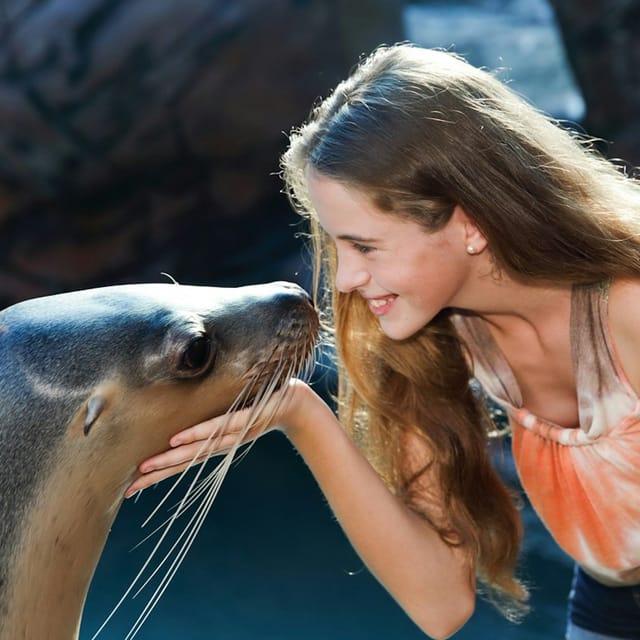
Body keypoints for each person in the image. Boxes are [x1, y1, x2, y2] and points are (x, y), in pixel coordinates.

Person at [125, 43, 640, 639]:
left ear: (469, 224)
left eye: (365, 246)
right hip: (609, 607)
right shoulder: (431, 337)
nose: (343, 279)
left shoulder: (627, 308)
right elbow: (440, 604)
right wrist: (300, 414)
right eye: (338, 246)